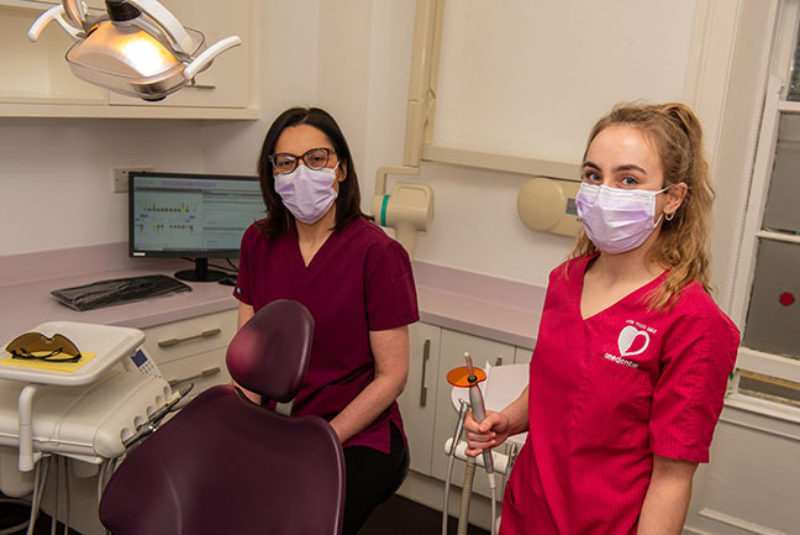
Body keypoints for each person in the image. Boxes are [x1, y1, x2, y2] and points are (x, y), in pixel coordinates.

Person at [464, 102, 739, 534]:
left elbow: (672, 477)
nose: (604, 190)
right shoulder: (567, 280)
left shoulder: (693, 322)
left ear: (673, 197)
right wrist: (511, 418)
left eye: (628, 179)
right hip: (527, 513)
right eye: (594, 175)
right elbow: (562, 381)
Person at [233, 107, 419, 534]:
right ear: (273, 173)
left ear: (341, 168)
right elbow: (248, 359)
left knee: (301, 522)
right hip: (278, 426)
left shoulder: (378, 253)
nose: (301, 173)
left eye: (316, 158)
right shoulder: (258, 242)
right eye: (286, 162)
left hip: (355, 432)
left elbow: (392, 376)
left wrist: (321, 441)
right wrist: (239, 430)